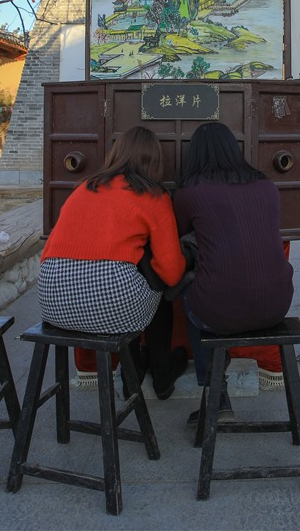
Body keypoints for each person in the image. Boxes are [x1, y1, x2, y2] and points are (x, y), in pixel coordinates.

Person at [37, 126, 190, 398]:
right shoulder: (153, 196)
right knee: (152, 283)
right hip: (112, 307)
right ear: (156, 160)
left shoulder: (83, 188)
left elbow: (47, 252)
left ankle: (132, 374)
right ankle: (162, 373)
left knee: (128, 276)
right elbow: (171, 273)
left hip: (52, 302)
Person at [172, 122, 295, 423]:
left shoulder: (189, 192)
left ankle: (216, 394)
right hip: (277, 306)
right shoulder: (267, 186)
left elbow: (181, 235)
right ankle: (217, 392)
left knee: (190, 287)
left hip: (220, 311)